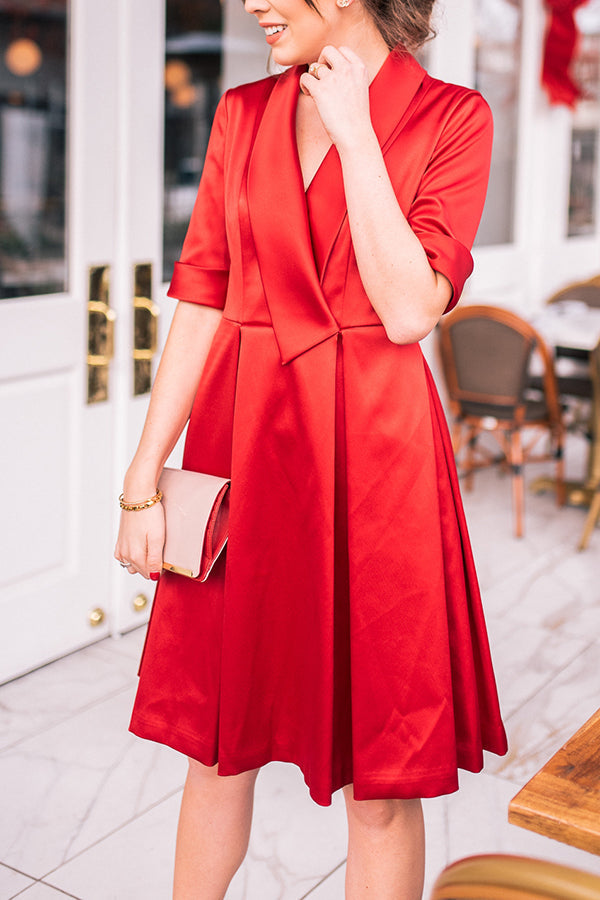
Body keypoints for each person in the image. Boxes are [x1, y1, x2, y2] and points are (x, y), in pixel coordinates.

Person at [115, 0, 508, 895]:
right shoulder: (243, 114)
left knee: (378, 776)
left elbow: (410, 310)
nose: (254, 1)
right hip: (245, 432)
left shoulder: (455, 118)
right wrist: (145, 474)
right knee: (217, 744)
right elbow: (204, 297)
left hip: (375, 453)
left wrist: (356, 136)